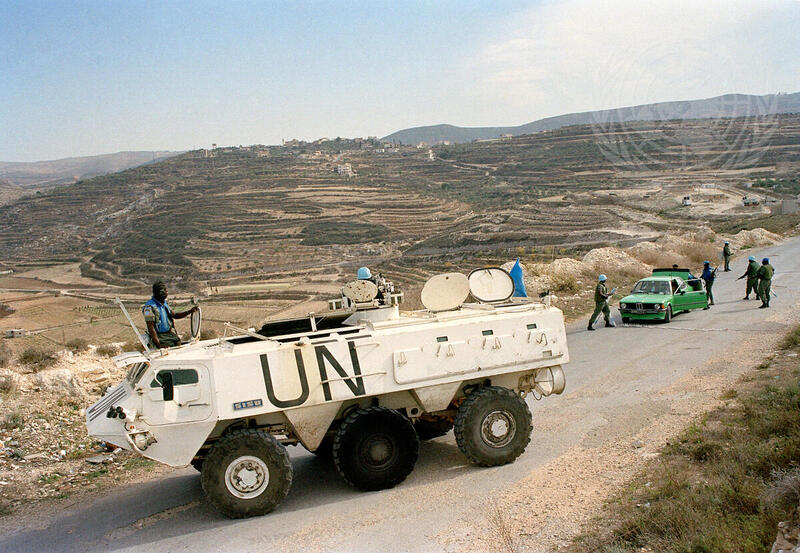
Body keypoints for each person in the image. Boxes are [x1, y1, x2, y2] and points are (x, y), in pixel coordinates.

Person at [142, 280, 198, 348]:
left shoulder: (164, 304)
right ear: (160, 293)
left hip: (168, 334)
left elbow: (174, 315)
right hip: (159, 336)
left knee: (179, 343)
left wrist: (189, 311)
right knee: (172, 347)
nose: (167, 292)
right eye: (165, 291)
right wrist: (159, 345)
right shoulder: (149, 307)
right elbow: (151, 327)